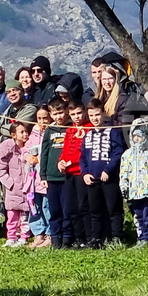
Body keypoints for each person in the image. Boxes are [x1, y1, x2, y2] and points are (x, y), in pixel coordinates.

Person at [80, 98, 125, 248]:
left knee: (113, 208)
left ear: (103, 113)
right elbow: (83, 156)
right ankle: (97, 238)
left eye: (97, 115)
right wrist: (85, 173)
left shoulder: (112, 131)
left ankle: (117, 236)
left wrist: (108, 169)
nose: (95, 118)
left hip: (108, 178)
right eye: (91, 115)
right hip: (92, 179)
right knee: (95, 210)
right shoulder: (88, 134)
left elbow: (118, 152)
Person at [119, 120, 148, 247]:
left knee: (146, 214)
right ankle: (140, 236)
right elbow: (123, 171)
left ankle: (147, 236)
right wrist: (124, 185)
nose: (137, 139)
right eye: (135, 136)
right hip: (133, 192)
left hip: (146, 191)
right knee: (137, 215)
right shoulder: (127, 154)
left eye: (140, 136)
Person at [58, 101, 91, 248]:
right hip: (69, 173)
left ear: (83, 112)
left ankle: (88, 237)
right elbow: (65, 151)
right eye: (73, 114)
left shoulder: (89, 129)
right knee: (72, 208)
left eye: (79, 113)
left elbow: (84, 152)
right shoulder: (70, 130)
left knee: (83, 206)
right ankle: (79, 238)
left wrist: (73, 162)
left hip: (81, 173)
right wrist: (61, 162)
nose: (76, 117)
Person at [40, 98, 70, 249]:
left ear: (66, 111)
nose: (59, 117)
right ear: (51, 115)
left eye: (61, 112)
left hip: (66, 177)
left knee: (67, 209)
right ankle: (55, 238)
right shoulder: (49, 130)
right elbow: (44, 153)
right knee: (54, 210)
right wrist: (43, 175)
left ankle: (66, 238)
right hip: (51, 176)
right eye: (55, 114)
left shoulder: (70, 128)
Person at [0, 121, 32, 247]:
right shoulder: (8, 150)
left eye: (26, 131)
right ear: (13, 135)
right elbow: (0, 170)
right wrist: (10, 184)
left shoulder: (29, 149)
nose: (25, 134)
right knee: (11, 216)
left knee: (25, 216)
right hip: (12, 190)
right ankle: (11, 236)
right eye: (21, 132)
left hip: (26, 188)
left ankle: (24, 236)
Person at [26, 106, 52, 247]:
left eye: (45, 118)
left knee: (47, 206)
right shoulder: (34, 131)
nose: (42, 122)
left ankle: (49, 233)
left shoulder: (52, 131)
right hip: (33, 177)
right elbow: (26, 147)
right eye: (39, 119)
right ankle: (38, 233)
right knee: (34, 206)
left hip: (45, 176)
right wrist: (27, 155)